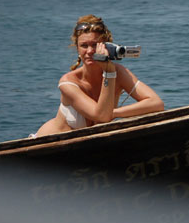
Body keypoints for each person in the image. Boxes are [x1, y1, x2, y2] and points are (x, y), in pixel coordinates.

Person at [34, 15, 164, 137]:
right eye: (84, 46)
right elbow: (101, 116)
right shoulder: (68, 82)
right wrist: (109, 72)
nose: (89, 51)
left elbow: (156, 103)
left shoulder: (119, 72)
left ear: (106, 46)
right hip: (45, 145)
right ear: (77, 49)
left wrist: (114, 113)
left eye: (95, 45)